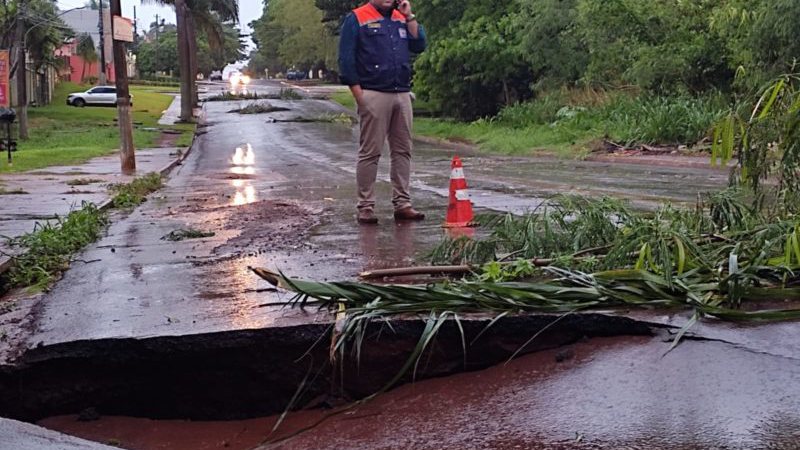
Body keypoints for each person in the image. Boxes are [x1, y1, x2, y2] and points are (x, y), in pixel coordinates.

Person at [338, 0, 427, 224]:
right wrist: (360, 96)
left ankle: (403, 204)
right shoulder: (357, 18)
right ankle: (365, 206)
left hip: (402, 92)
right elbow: (346, 59)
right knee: (370, 152)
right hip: (373, 92)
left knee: (403, 151)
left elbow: (419, 45)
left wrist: (409, 16)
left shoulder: (400, 17)